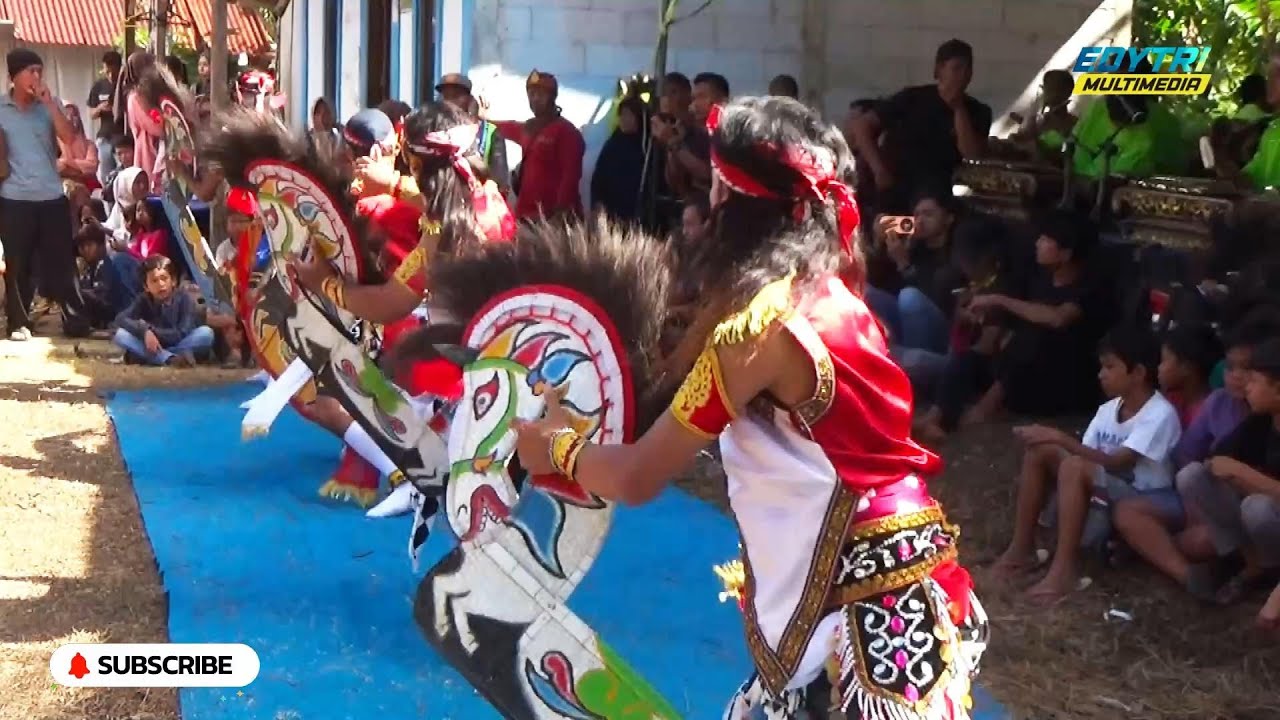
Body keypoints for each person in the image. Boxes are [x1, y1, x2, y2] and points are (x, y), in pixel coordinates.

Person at [512, 96, 987, 717]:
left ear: (735, 205)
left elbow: (637, 477)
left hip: (856, 607)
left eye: (716, 188)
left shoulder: (759, 332)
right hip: (899, 570)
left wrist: (554, 449)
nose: (707, 204)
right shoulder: (830, 283)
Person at [994, 327, 1182, 604]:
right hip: (1106, 484)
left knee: (1072, 465)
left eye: (1109, 367)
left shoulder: (1159, 414)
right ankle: (1022, 550)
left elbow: (1119, 461)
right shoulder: (1108, 410)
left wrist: (1059, 437)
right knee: (1041, 451)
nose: (1100, 374)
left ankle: (1064, 571)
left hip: (1141, 497)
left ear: (1138, 373)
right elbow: (1088, 455)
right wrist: (1050, 441)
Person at [1113, 313, 1264, 595]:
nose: (1235, 376)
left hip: (1244, 513)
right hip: (1202, 501)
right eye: (1230, 367)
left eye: (1248, 369)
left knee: (1206, 539)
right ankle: (1183, 569)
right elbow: (1185, 456)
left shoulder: (1268, 418)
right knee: (1127, 511)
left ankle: (1145, 548)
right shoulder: (1219, 403)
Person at [1176, 337, 1280, 605]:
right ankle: (1254, 564)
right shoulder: (1260, 420)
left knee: (1256, 507)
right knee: (1192, 476)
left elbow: (1235, 469)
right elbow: (1217, 459)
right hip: (1262, 524)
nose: (1247, 387)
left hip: (1268, 515)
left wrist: (1242, 474)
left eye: (1255, 381)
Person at [0, 48, 88, 341]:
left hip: (51, 195)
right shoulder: (1, 109)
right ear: (14, 76)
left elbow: (70, 138)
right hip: (14, 197)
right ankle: (18, 323)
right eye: (31, 71)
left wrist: (49, 103)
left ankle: (75, 321)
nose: (36, 77)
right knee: (17, 264)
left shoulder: (49, 107)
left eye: (40, 71)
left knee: (63, 261)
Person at [850, 39, 992, 214]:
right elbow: (862, 126)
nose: (962, 75)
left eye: (967, 69)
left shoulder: (978, 111)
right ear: (939, 69)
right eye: (956, 68)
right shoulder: (912, 97)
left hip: (934, 189)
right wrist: (878, 168)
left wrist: (958, 108)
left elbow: (971, 153)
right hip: (893, 182)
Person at [864, 186, 965, 355]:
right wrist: (878, 244)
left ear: (948, 218)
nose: (920, 220)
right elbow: (879, 282)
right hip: (907, 322)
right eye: (916, 215)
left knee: (909, 297)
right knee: (868, 291)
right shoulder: (912, 245)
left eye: (928, 214)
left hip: (940, 330)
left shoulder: (957, 251)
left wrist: (904, 264)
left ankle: (910, 360)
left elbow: (935, 296)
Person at [483, 70, 584, 220]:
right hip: (526, 216)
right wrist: (481, 117)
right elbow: (505, 127)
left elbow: (571, 176)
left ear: (553, 97)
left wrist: (560, 214)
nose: (535, 99)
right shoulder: (529, 128)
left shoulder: (567, 132)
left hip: (553, 219)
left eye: (541, 95)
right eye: (531, 94)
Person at [112, 254, 213, 366]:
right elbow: (120, 319)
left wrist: (152, 333)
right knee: (120, 335)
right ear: (146, 286)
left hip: (179, 342)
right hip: (152, 344)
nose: (160, 284)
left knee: (205, 334)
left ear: (173, 281)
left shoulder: (184, 298)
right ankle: (170, 359)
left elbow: (180, 333)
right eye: (154, 281)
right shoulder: (144, 299)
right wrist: (145, 331)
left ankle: (149, 357)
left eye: (164, 278)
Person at [436, 73, 510, 193]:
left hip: (476, 204)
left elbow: (499, 182)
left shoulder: (489, 133)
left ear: (469, 100)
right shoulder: (434, 133)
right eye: (445, 96)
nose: (449, 102)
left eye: (456, 96)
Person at [590, 96, 647, 224]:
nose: (624, 120)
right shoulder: (612, 144)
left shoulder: (646, 146)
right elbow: (599, 176)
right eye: (622, 115)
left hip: (636, 213)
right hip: (610, 212)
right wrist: (597, 203)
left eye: (629, 115)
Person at [116, 51, 165, 193]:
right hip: (148, 153)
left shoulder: (147, 95)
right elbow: (156, 127)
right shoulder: (136, 98)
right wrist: (168, 120)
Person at [1008, 69, 1077, 157]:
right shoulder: (1042, 118)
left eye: (1050, 88)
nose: (1044, 91)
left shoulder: (1070, 124)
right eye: (1045, 87)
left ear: (1066, 92)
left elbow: (1047, 149)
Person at [88, 50, 122, 186]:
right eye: (107, 72)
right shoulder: (99, 86)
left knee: (122, 176)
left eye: (114, 72)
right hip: (105, 137)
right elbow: (91, 114)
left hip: (122, 137)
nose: (111, 76)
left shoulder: (125, 86)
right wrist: (100, 108)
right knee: (105, 176)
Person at [75, 223, 115, 328]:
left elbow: (101, 297)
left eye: (89, 245)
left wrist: (76, 292)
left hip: (108, 314)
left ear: (101, 245)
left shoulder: (105, 265)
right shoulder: (89, 266)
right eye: (82, 246)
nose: (85, 250)